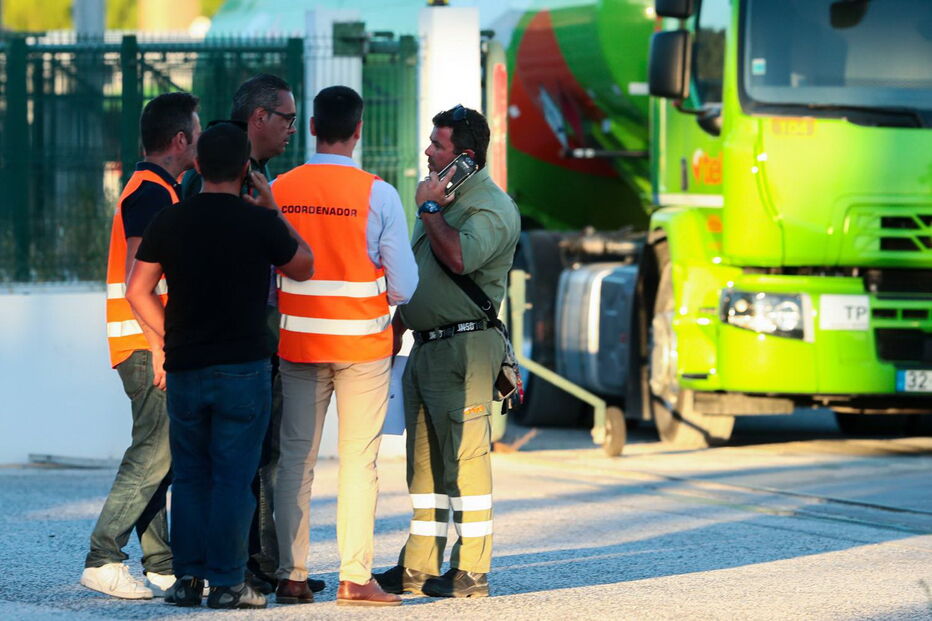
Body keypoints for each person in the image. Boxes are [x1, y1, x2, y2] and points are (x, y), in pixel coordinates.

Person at [125, 122, 314, 609]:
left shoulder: (171, 219)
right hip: (244, 369)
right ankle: (229, 583)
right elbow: (304, 265)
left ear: (199, 166)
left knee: (189, 475)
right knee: (233, 477)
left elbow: (137, 290)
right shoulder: (258, 222)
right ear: (246, 170)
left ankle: (187, 580)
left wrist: (169, 338)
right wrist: (272, 208)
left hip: (186, 366)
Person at [271, 85, 418, 607]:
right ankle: (355, 578)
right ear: (359, 131)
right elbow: (403, 285)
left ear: (310, 127)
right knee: (359, 462)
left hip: (299, 343)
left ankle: (291, 575)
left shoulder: (280, 188)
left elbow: (270, 272)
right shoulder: (378, 194)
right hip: (363, 347)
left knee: (295, 461)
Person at [180, 73, 324, 596]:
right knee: (234, 465)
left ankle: (236, 565)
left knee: (237, 463)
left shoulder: (241, 168)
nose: (292, 129)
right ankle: (230, 569)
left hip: (215, 344)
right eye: (286, 119)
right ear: (258, 118)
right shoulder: (232, 174)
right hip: (238, 345)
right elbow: (295, 261)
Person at [375, 104, 520, 598]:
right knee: (426, 463)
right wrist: (398, 324)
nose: (427, 151)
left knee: (467, 458)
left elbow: (458, 257)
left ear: (466, 157)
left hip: (465, 348)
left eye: (438, 146)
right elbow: (421, 274)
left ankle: (472, 570)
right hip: (426, 347)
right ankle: (418, 565)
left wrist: (431, 210)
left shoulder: (490, 207)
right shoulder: (444, 196)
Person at [81, 92, 200, 600]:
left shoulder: (156, 189)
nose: (199, 140)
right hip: (146, 342)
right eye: (195, 132)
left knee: (160, 453)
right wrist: (163, 347)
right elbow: (139, 278)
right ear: (180, 140)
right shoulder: (151, 192)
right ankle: (103, 557)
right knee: (154, 452)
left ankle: (160, 563)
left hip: (143, 340)